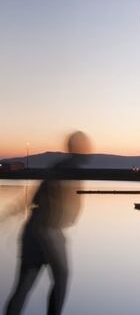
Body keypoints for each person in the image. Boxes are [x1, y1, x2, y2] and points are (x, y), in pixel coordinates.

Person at [4, 130, 92, 315]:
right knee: (61, 278)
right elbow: (62, 203)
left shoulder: (58, 167)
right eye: (86, 146)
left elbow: (36, 197)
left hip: (34, 230)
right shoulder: (71, 168)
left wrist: (12, 212)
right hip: (49, 232)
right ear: (79, 148)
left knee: (23, 286)